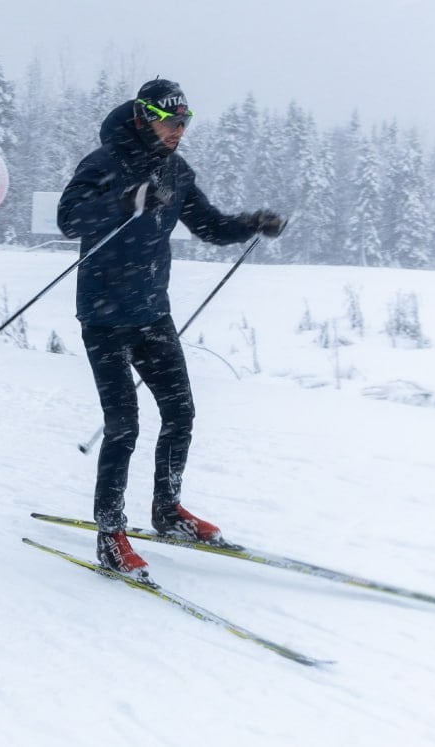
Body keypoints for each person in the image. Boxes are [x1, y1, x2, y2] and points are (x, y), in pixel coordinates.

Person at [57, 78, 285, 576]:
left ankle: (167, 510)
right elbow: (69, 219)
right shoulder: (103, 164)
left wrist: (251, 223)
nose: (178, 131)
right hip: (103, 316)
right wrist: (124, 202)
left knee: (181, 412)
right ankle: (111, 534)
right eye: (170, 122)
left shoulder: (176, 172)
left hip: (152, 313)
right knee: (123, 427)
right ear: (143, 118)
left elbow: (210, 226)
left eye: (184, 122)